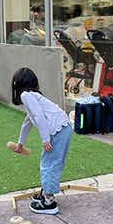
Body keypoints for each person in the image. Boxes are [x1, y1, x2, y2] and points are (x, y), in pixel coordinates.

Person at [11, 67, 72, 215]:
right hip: (64, 128)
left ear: (17, 84)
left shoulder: (26, 95)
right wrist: (20, 143)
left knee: (48, 163)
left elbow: (39, 117)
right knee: (53, 162)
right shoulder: (33, 96)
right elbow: (28, 121)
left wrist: (46, 139)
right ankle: (46, 191)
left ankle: (49, 202)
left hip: (58, 131)